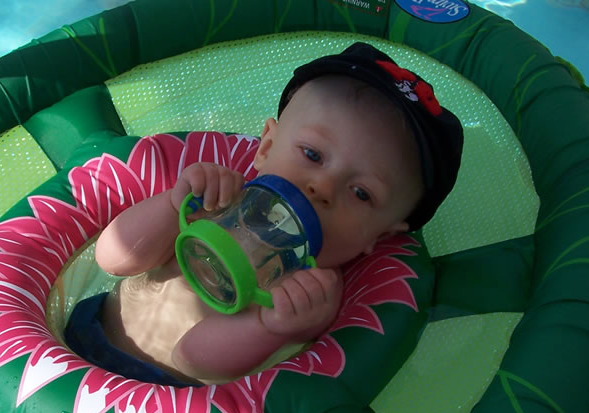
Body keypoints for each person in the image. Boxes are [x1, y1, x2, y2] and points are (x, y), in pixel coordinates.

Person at [65, 42, 463, 385]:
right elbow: (114, 258)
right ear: (267, 147)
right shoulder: (218, 200)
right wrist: (174, 205)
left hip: (158, 392)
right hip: (86, 324)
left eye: (361, 193)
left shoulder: (310, 294)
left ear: (380, 235)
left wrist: (269, 327)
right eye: (312, 155)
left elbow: (192, 359)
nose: (322, 188)